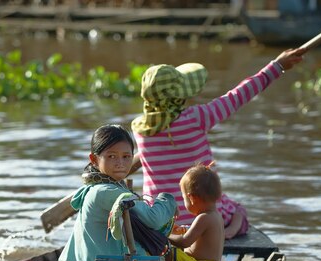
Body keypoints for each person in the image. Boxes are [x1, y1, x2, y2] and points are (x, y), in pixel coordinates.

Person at [130, 47, 305, 240]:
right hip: (201, 212)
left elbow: (150, 153)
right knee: (239, 211)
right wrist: (277, 65)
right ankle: (226, 233)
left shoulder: (140, 130)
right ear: (179, 95)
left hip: (160, 218)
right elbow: (239, 95)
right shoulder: (197, 118)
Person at [54, 124, 177, 261]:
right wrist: (168, 201)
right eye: (111, 156)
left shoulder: (101, 186)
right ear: (94, 159)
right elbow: (154, 219)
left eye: (126, 157)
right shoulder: (106, 191)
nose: (120, 163)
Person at [168, 164, 225, 261]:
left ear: (192, 198)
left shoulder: (203, 218)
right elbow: (201, 237)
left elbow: (184, 242)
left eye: (184, 198)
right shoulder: (216, 216)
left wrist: (165, 235)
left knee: (168, 253)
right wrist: (182, 230)